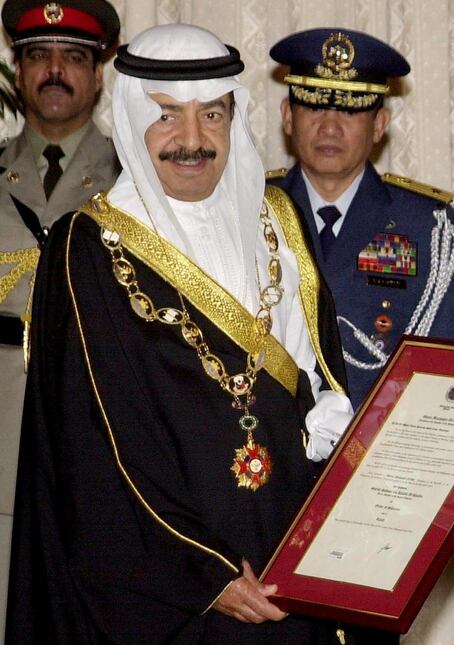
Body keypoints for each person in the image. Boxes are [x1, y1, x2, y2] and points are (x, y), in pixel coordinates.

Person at [4, 23, 383, 644]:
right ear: (130, 122)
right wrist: (203, 574)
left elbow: (320, 384)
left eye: (212, 115)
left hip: (287, 565)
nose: (191, 140)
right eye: (166, 118)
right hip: (168, 590)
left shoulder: (280, 220)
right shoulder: (88, 246)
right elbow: (98, 445)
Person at [267, 28, 454, 408]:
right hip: (269, 453)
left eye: (349, 109)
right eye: (313, 105)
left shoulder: (426, 227)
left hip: (378, 452)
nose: (329, 126)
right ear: (288, 117)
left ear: (379, 125)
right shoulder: (251, 210)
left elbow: (447, 370)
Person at [0, 0, 120, 630]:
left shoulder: (134, 186)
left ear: (98, 76)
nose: (54, 71)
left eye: (73, 57)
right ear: (18, 73)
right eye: (38, 56)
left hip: (98, 444)